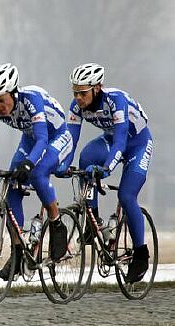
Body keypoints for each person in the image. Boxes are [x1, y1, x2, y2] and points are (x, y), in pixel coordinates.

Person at [0, 63, 72, 281]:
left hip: (56, 137)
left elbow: (43, 139)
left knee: (37, 174)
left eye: (1, 100)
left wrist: (28, 164)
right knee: (11, 186)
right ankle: (18, 252)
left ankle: (57, 225)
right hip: (30, 139)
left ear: (13, 93)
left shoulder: (32, 100)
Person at [65, 63, 153, 283]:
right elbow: (70, 141)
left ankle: (141, 254)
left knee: (126, 195)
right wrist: (62, 164)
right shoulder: (77, 107)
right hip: (111, 139)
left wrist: (106, 169)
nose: (78, 98)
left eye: (83, 93)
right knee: (85, 158)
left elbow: (122, 140)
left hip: (137, 144)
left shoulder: (116, 101)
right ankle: (92, 220)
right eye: (75, 92)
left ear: (97, 88)